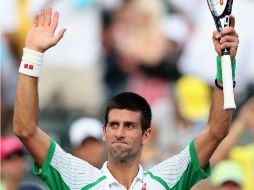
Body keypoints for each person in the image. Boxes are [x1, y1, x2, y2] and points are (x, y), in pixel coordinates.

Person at [13, 7, 239, 190]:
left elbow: (216, 131)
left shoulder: (166, 179)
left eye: (129, 125)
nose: (119, 132)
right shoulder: (76, 178)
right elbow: (26, 130)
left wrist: (225, 63)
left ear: (147, 134)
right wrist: (32, 54)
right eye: (114, 125)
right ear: (104, 132)